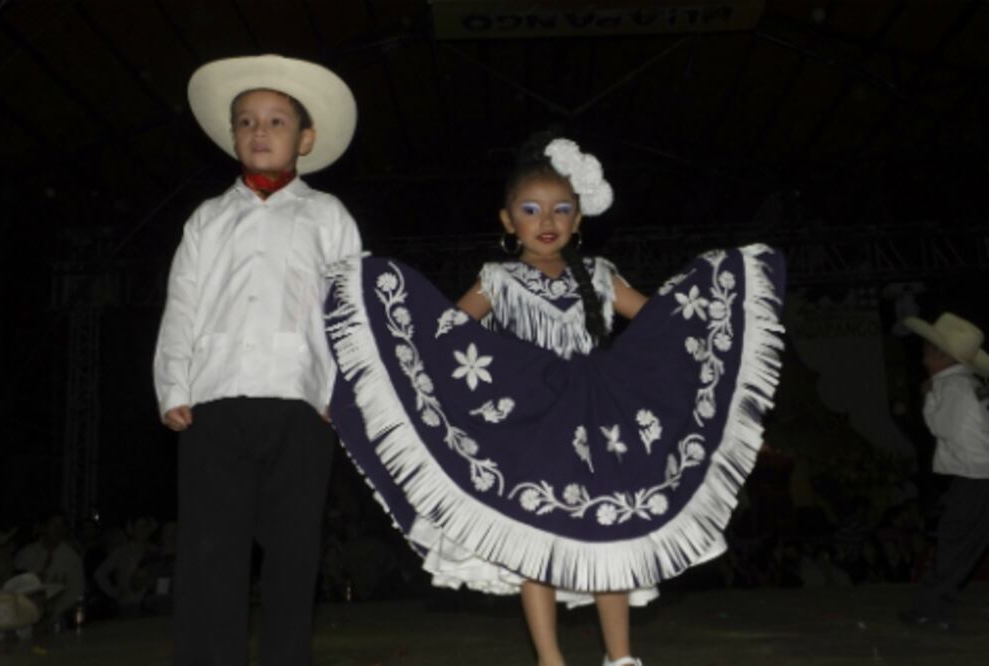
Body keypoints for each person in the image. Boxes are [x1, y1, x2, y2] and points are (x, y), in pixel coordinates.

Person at [321, 134, 786, 666]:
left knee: (612, 535)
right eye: (531, 209)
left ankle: (621, 657)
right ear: (507, 221)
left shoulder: (600, 275)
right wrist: (379, 370)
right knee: (534, 536)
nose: (548, 220)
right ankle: (549, 657)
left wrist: (712, 301)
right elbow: (444, 336)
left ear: (578, 219)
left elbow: (663, 320)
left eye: (562, 209)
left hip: (601, 420)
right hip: (530, 424)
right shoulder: (497, 279)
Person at [153, 54, 361, 665]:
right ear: (233, 136)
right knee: (211, 554)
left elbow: (350, 312)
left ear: (306, 138)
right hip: (213, 403)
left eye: (275, 120)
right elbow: (182, 306)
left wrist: (342, 395)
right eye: (246, 121)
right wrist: (173, 387)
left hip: (302, 405)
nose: (260, 131)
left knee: (294, 556)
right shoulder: (208, 219)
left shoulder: (328, 216)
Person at [899, 312, 989, 630]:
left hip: (975, 477)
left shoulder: (951, 388)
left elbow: (943, 428)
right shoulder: (968, 384)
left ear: (941, 356)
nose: (923, 357)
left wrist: (928, 397)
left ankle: (932, 610)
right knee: (966, 544)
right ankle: (934, 607)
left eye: (927, 350)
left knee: (953, 542)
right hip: (981, 475)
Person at [12, 513, 84, 626]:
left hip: (58, 618)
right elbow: (13, 585)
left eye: (61, 526)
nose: (58, 530)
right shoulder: (27, 554)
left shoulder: (71, 557)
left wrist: (55, 610)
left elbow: (76, 590)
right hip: (24, 617)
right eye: (54, 525)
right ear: (43, 527)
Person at [93, 516, 157, 614]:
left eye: (145, 526)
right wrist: (114, 592)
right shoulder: (121, 551)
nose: (142, 529)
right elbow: (100, 573)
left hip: (153, 604)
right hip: (129, 605)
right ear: (132, 529)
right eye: (138, 526)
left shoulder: (155, 550)